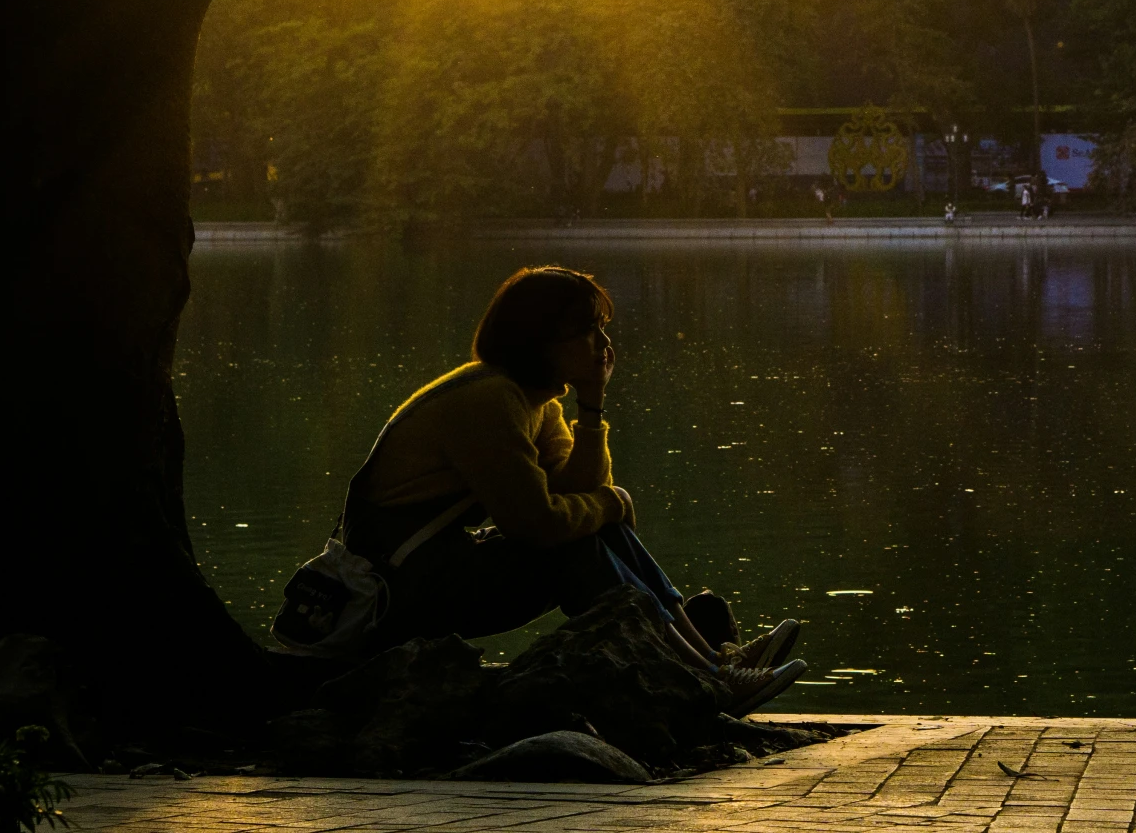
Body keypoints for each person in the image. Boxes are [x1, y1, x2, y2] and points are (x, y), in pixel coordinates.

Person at [343, 266, 804, 712]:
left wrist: (591, 403)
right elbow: (538, 525)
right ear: (538, 339)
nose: (603, 343)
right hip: (396, 595)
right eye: (587, 329)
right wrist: (612, 503)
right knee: (576, 546)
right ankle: (706, 677)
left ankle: (709, 660)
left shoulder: (534, 401)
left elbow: (580, 490)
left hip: (440, 566)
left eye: (602, 328)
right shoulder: (489, 400)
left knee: (595, 527)